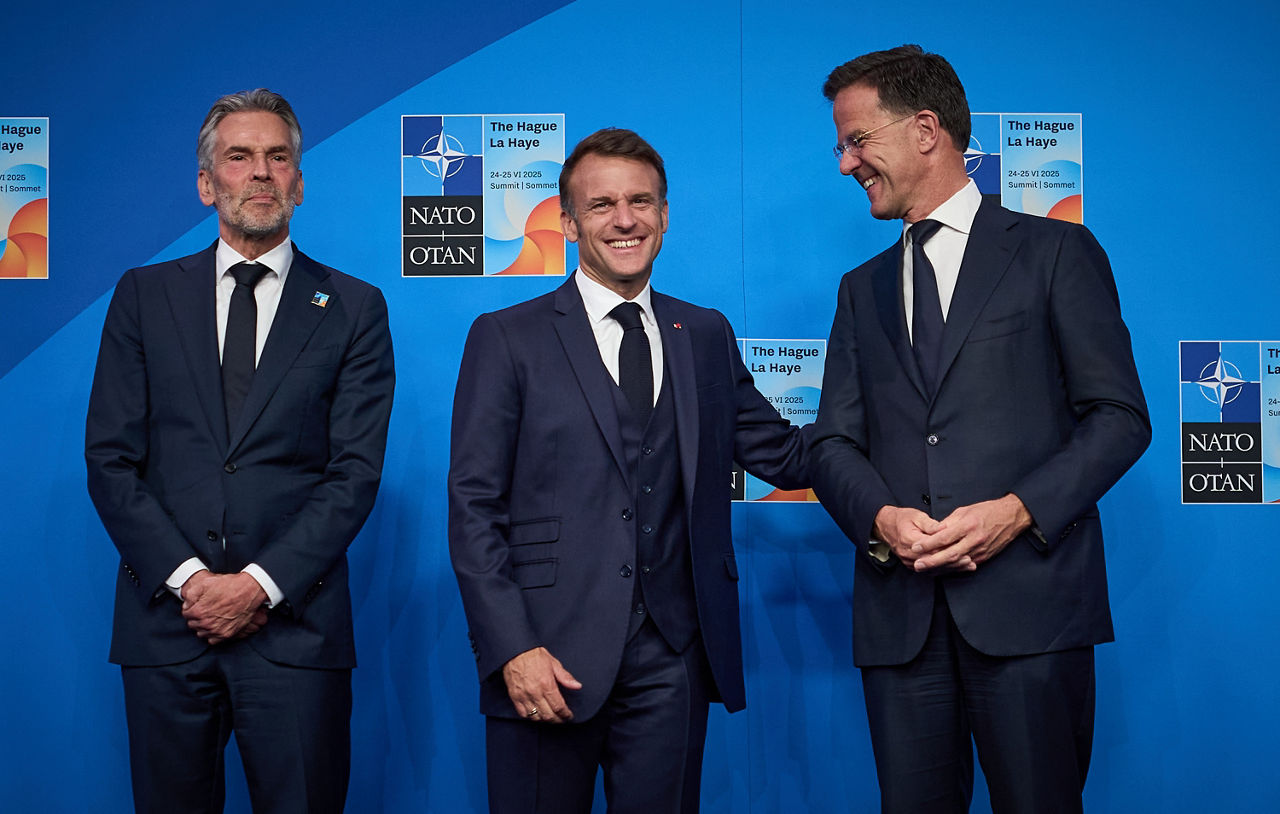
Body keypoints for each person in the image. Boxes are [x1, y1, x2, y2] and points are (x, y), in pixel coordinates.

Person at [810, 45, 1150, 814]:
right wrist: (879, 518)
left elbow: (1121, 418)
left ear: (926, 128)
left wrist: (1017, 511)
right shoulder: (859, 291)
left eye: (857, 140)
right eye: (842, 145)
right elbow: (832, 442)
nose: (845, 164)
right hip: (902, 626)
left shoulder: (1055, 252)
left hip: (1030, 612)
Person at [448, 128, 808, 813]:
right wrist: (512, 649)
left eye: (641, 201)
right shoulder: (507, 336)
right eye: (604, 203)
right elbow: (473, 507)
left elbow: (781, 454)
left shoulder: (703, 333)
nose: (624, 219)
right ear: (569, 221)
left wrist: (889, 423)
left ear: (665, 216)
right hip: (544, 657)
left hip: (672, 657)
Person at [85, 89, 395, 813]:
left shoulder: (353, 307)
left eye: (277, 157)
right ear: (206, 183)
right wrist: (193, 581)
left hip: (295, 631)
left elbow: (354, 474)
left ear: (299, 182)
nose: (261, 172)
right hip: (168, 626)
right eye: (240, 156)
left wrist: (257, 585)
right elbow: (110, 460)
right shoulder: (144, 295)